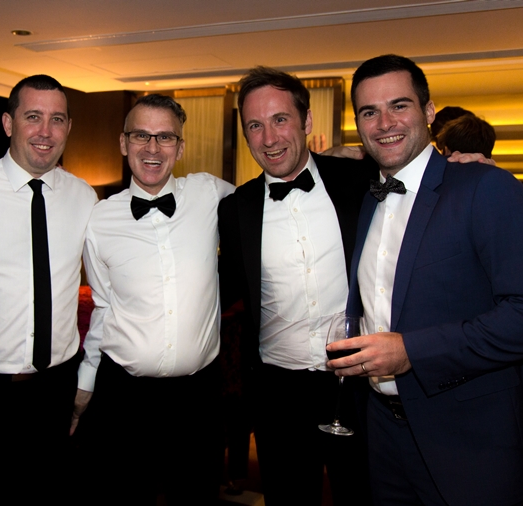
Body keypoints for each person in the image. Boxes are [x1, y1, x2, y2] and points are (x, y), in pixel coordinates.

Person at [329, 54, 523, 506]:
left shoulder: (485, 187)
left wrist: (411, 351)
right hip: (383, 435)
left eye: (399, 106)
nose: (384, 123)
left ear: (429, 111)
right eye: (369, 112)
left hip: (471, 442)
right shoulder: (368, 199)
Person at [217, 66, 376, 506]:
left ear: (306, 121)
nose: (269, 138)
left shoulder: (359, 181)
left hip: (356, 383)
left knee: (363, 495)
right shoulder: (235, 209)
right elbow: (221, 287)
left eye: (280, 119)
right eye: (255, 125)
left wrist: (463, 162)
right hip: (277, 394)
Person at [75, 94, 234, 505]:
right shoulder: (100, 219)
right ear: (123, 142)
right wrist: (86, 383)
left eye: (165, 137)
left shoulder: (210, 193)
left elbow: (270, 197)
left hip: (198, 398)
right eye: (141, 135)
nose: (152, 147)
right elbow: (103, 306)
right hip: (124, 398)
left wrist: (328, 162)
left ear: (180, 148)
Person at [0, 74, 96, 502]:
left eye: (57, 119)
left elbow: (106, 295)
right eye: (33, 116)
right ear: (7, 123)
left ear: (68, 128)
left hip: (55, 389)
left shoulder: (84, 197)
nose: (45, 131)